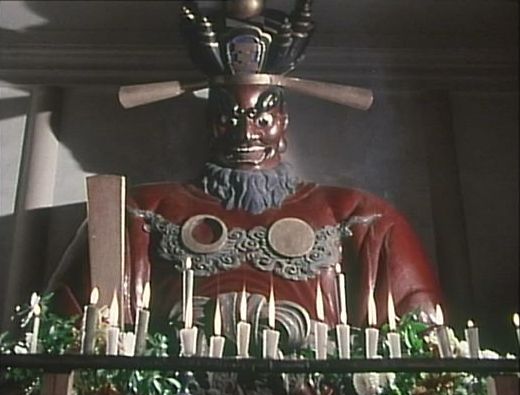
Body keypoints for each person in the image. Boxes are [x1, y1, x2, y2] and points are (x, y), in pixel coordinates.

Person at [51, 0, 442, 353]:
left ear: (283, 122)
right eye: (228, 118)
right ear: (209, 124)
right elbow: (63, 336)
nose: (246, 134)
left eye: (263, 119)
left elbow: (423, 349)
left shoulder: (362, 217)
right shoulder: (137, 213)